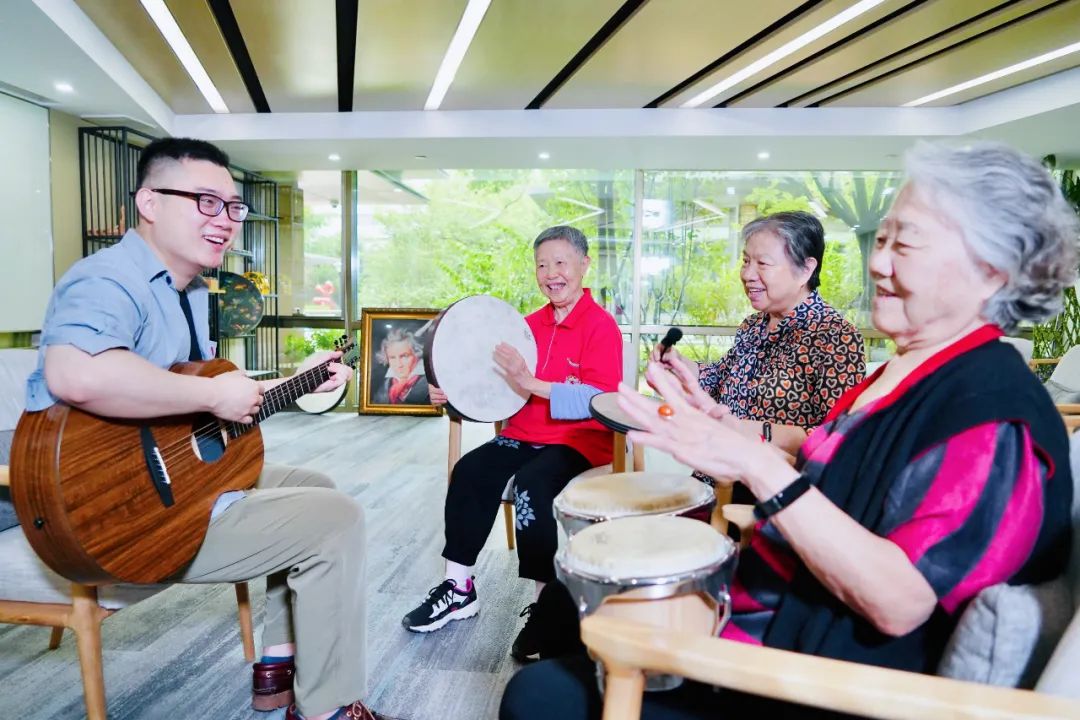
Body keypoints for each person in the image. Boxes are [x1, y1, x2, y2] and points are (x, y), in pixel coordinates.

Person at [501, 140, 1078, 719]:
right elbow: (830, 467)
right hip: (766, 614)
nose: (878, 263)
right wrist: (722, 425)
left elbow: (899, 602)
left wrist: (753, 461)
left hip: (806, 677)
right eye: (881, 240)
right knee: (576, 616)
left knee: (538, 694)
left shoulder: (991, 419)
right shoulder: (910, 370)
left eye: (905, 244)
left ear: (991, 271)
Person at [24, 138, 382, 720]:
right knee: (338, 519)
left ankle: (280, 662)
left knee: (314, 486)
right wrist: (215, 393)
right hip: (118, 513)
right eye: (205, 202)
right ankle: (328, 709)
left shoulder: (187, 292)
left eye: (233, 207)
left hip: (177, 480)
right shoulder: (109, 279)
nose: (225, 220)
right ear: (149, 202)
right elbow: (75, 373)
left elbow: (196, 398)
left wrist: (294, 383)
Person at [401, 225, 622, 662]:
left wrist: (532, 382)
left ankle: (545, 607)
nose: (551, 273)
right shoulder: (525, 327)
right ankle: (458, 587)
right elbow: (490, 389)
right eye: (542, 265)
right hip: (522, 434)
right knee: (470, 470)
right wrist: (450, 394)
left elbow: (600, 399)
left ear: (583, 265)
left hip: (580, 441)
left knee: (533, 484)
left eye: (560, 263)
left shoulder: (602, 326)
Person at [651, 211, 865, 463]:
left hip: (772, 480)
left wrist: (747, 430)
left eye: (762, 263)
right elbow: (719, 379)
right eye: (746, 261)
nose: (747, 274)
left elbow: (838, 437)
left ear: (805, 270)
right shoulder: (752, 326)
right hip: (717, 470)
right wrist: (679, 365)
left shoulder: (836, 337)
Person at [372, 328, 430, 405]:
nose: (399, 364)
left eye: (404, 356)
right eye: (392, 357)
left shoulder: (429, 382)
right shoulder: (385, 385)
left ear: (417, 354)